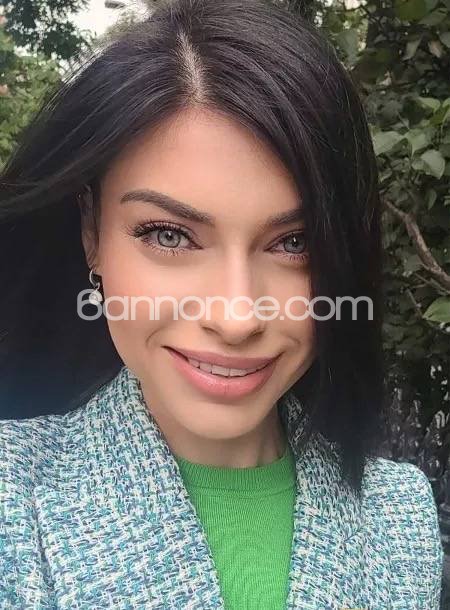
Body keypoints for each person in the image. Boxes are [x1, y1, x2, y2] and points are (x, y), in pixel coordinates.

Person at [0, 0, 443, 608]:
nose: (237, 319)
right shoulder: (13, 498)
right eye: (169, 235)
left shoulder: (400, 520)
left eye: (295, 243)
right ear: (91, 235)